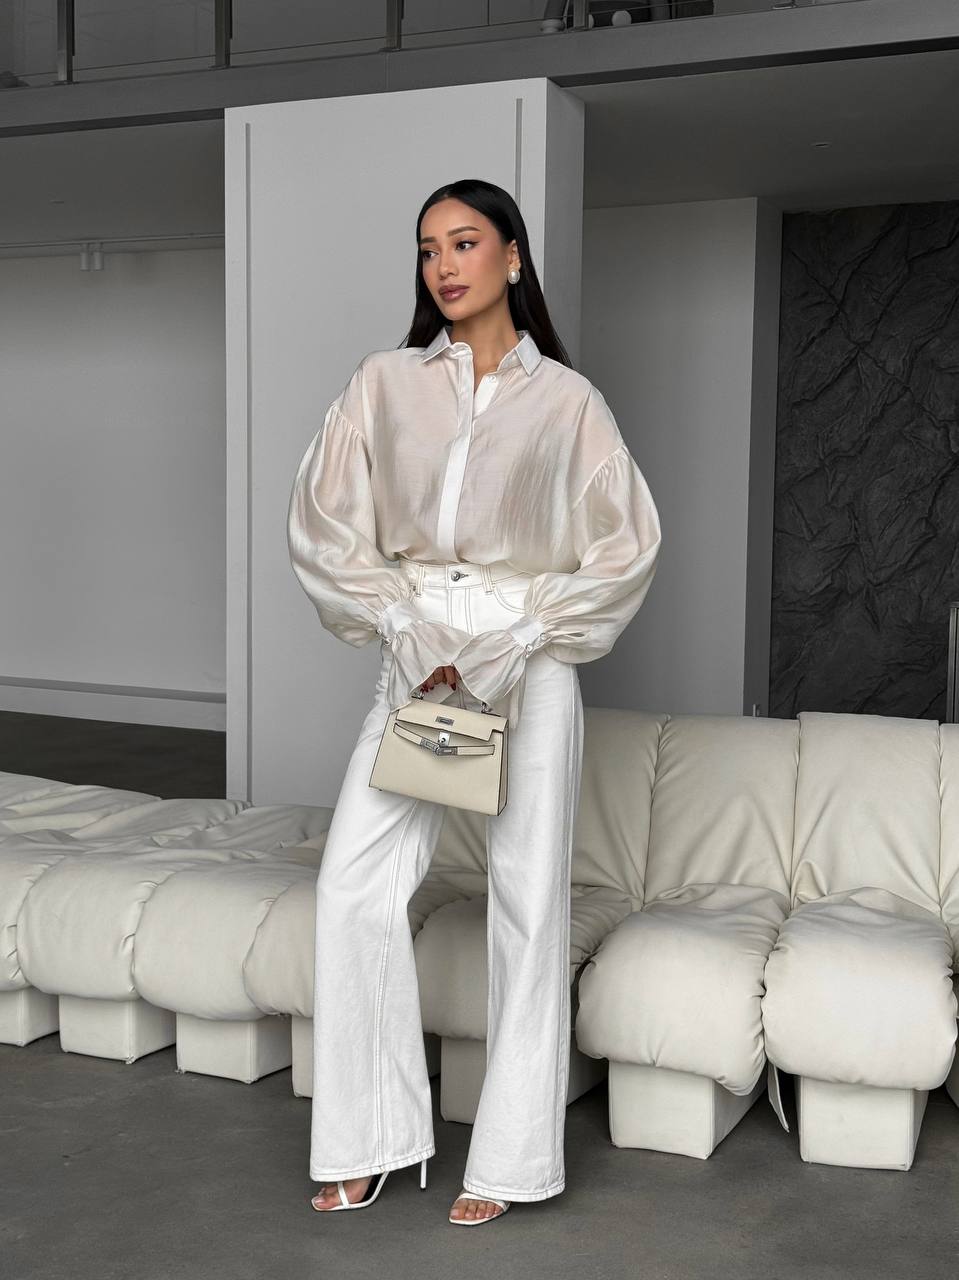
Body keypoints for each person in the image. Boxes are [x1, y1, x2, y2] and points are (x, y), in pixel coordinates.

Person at [287, 178, 662, 1225]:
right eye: (425, 249)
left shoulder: (567, 402)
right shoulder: (382, 383)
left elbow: (623, 547)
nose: (443, 265)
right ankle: (367, 1137)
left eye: (463, 242)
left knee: (526, 902)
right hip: (416, 652)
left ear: (511, 256)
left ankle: (505, 1159)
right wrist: (407, 631)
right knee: (354, 881)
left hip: (527, 659)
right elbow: (323, 522)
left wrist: (523, 638)